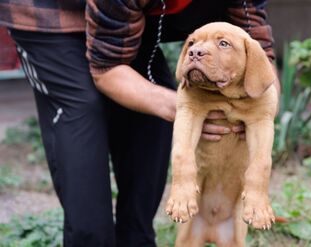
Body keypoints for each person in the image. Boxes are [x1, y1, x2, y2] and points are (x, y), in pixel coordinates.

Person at [0, 0, 275, 246]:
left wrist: (260, 107)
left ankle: (137, 237)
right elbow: (107, 70)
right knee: (83, 112)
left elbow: (258, 43)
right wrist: (185, 108)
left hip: (127, 21)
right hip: (52, 18)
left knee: (151, 119)